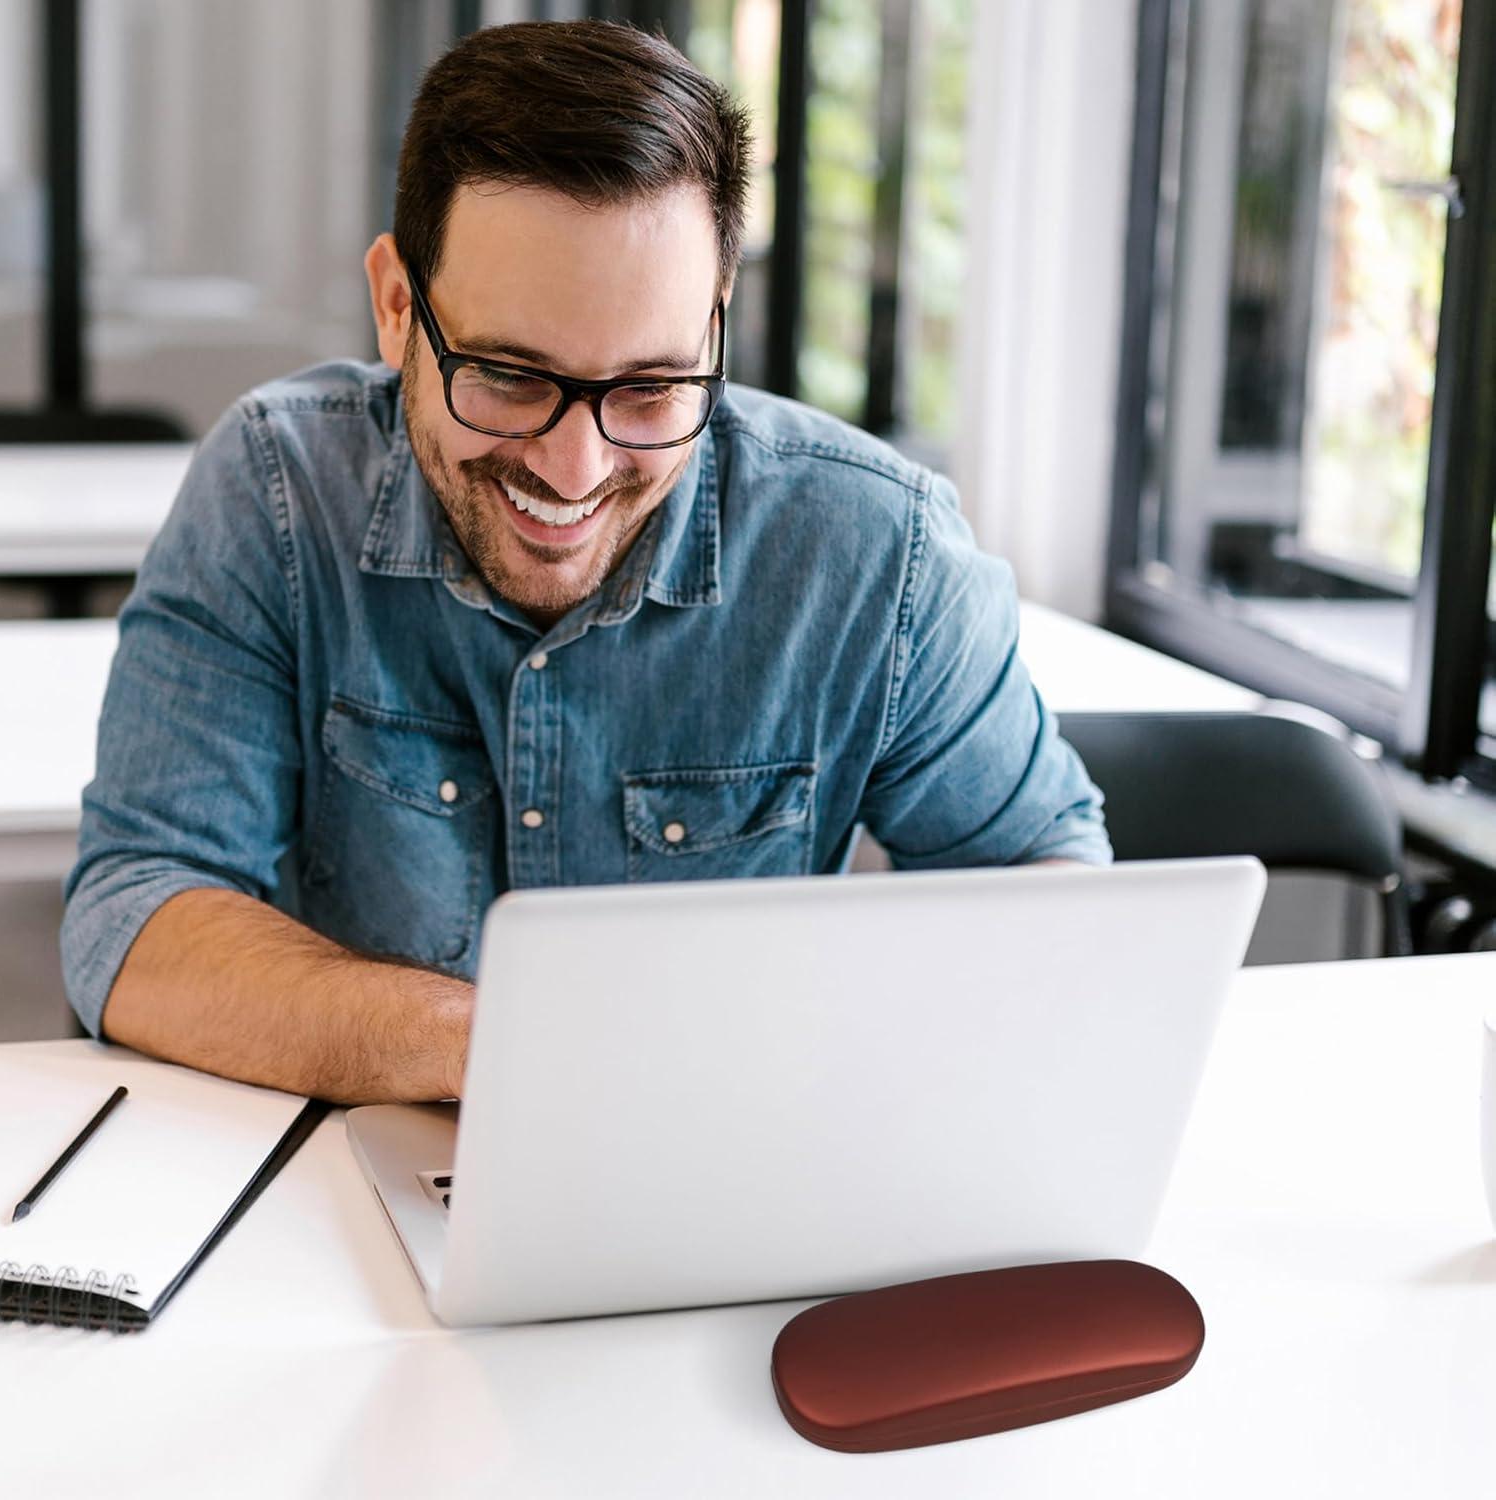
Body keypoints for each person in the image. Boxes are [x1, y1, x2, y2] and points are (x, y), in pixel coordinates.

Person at [62, 20, 1109, 1104]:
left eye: (651, 388)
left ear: (715, 326)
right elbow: (136, 914)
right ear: (394, 306)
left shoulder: (879, 550)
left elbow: (1050, 895)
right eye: (510, 376)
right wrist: (514, 1052)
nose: (575, 468)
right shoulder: (278, 491)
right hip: (356, 1203)